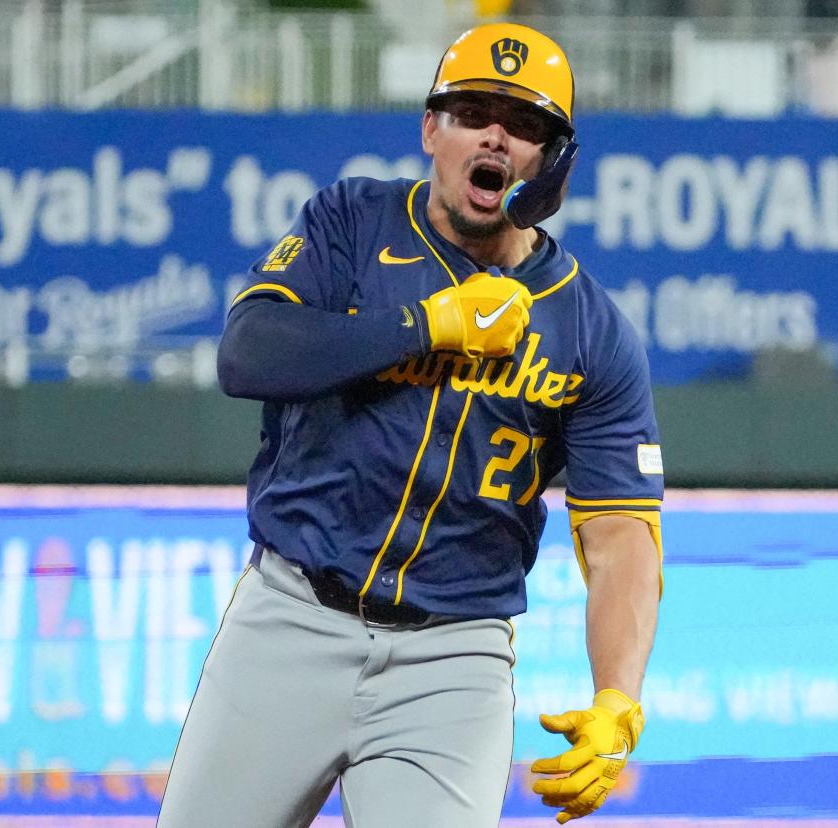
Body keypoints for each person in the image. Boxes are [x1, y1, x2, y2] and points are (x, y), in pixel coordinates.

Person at [156, 22, 664, 828]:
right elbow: (247, 354)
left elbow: (621, 535)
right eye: (471, 112)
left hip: (451, 659)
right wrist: (424, 325)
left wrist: (618, 700)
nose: (495, 134)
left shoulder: (591, 329)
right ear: (432, 130)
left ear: (554, 164)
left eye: (525, 124)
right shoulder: (353, 222)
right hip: (291, 616)